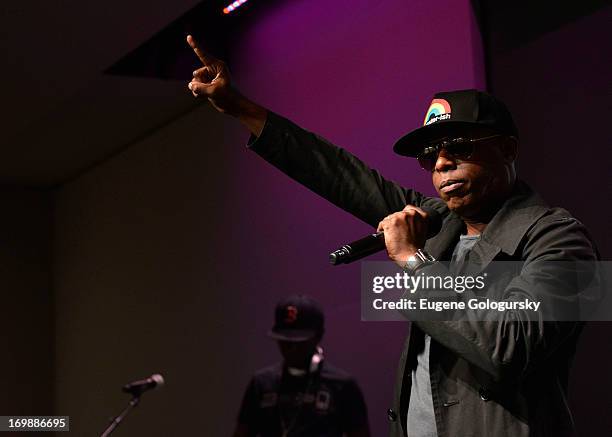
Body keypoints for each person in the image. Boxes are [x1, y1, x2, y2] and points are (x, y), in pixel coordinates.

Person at [186, 35, 600, 437]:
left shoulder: (558, 239)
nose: (441, 164)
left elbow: (508, 348)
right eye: (430, 155)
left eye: (459, 146)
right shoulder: (439, 222)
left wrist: (414, 262)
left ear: (508, 150)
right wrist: (239, 107)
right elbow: (339, 174)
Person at [232, 294, 371, 437]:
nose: (291, 348)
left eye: (299, 341)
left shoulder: (342, 386)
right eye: (285, 340)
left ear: (318, 336)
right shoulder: (261, 384)